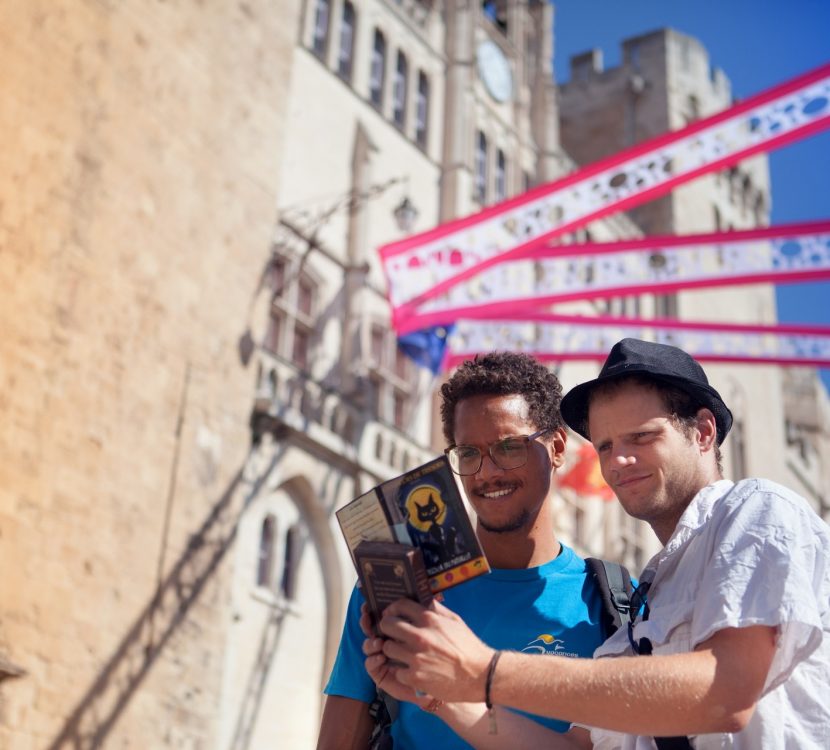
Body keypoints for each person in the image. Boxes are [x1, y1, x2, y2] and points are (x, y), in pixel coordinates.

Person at [368, 338, 830, 749]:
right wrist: (444, 697)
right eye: (605, 446)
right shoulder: (649, 597)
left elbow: (723, 693)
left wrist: (485, 670)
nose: (620, 461)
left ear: (703, 432)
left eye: (642, 437)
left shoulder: (756, 509)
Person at [318, 352, 616, 749]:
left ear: (558, 446)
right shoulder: (402, 589)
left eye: (509, 447)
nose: (488, 472)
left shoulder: (614, 604)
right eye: (469, 453)